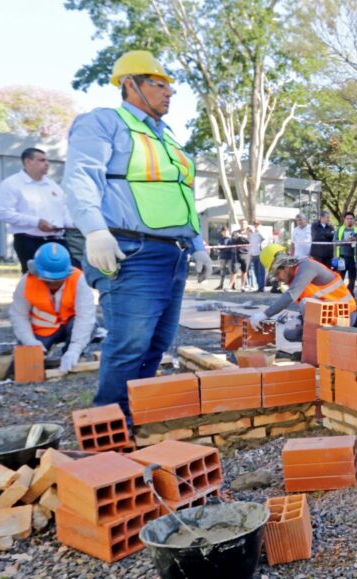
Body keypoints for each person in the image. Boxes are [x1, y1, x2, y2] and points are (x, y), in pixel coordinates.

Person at [62, 50, 211, 411]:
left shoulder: (168, 139)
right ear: (129, 84)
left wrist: (197, 244)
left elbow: (180, 196)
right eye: (158, 84)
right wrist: (95, 230)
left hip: (171, 254)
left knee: (157, 343)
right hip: (131, 250)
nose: (168, 93)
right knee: (130, 343)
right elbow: (81, 176)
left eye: (169, 87)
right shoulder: (104, 122)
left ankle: (134, 414)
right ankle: (109, 425)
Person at [9, 243, 96, 373]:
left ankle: (72, 355)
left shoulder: (78, 280)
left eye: (58, 280)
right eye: (48, 280)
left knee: (91, 327)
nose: (53, 284)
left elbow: (85, 316)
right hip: (43, 329)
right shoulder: (26, 282)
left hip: (69, 325)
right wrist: (30, 342)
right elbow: (19, 315)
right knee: (23, 361)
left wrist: (74, 349)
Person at [0, 147, 75, 272]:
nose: (47, 164)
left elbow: (64, 211)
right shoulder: (11, 184)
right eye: (41, 160)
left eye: (47, 160)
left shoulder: (53, 186)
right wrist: (36, 222)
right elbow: (2, 213)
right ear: (28, 161)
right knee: (35, 280)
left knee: (66, 277)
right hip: (29, 242)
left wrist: (76, 224)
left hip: (58, 241)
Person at [250, 244, 357, 334]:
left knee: (306, 304)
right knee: (290, 333)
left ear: (284, 266)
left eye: (277, 274)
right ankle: (312, 348)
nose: (278, 279)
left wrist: (264, 314)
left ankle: (321, 346)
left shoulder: (307, 266)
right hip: (330, 313)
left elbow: (290, 296)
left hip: (345, 315)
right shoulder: (294, 276)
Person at [335, 211, 357, 295]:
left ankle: (350, 293)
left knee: (352, 278)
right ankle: (340, 294)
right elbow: (334, 242)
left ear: (354, 220)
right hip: (342, 257)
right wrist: (344, 241)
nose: (349, 220)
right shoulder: (340, 229)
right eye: (348, 219)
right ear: (344, 220)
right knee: (340, 277)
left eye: (351, 219)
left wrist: (355, 241)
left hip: (353, 258)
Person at [215, 226, 236, 291]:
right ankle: (221, 284)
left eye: (226, 231)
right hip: (222, 257)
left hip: (230, 257)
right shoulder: (221, 239)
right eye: (223, 231)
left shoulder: (231, 239)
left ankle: (232, 284)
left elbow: (231, 248)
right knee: (222, 271)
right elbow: (219, 247)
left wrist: (223, 248)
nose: (224, 232)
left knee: (232, 271)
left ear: (228, 232)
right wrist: (221, 248)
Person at [247, 221, 266, 292]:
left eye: (257, 224)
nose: (256, 226)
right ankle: (258, 286)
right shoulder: (252, 234)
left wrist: (259, 231)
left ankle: (262, 287)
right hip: (254, 254)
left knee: (261, 271)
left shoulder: (262, 232)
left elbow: (265, 238)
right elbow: (251, 244)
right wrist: (250, 254)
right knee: (256, 272)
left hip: (261, 254)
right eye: (255, 224)